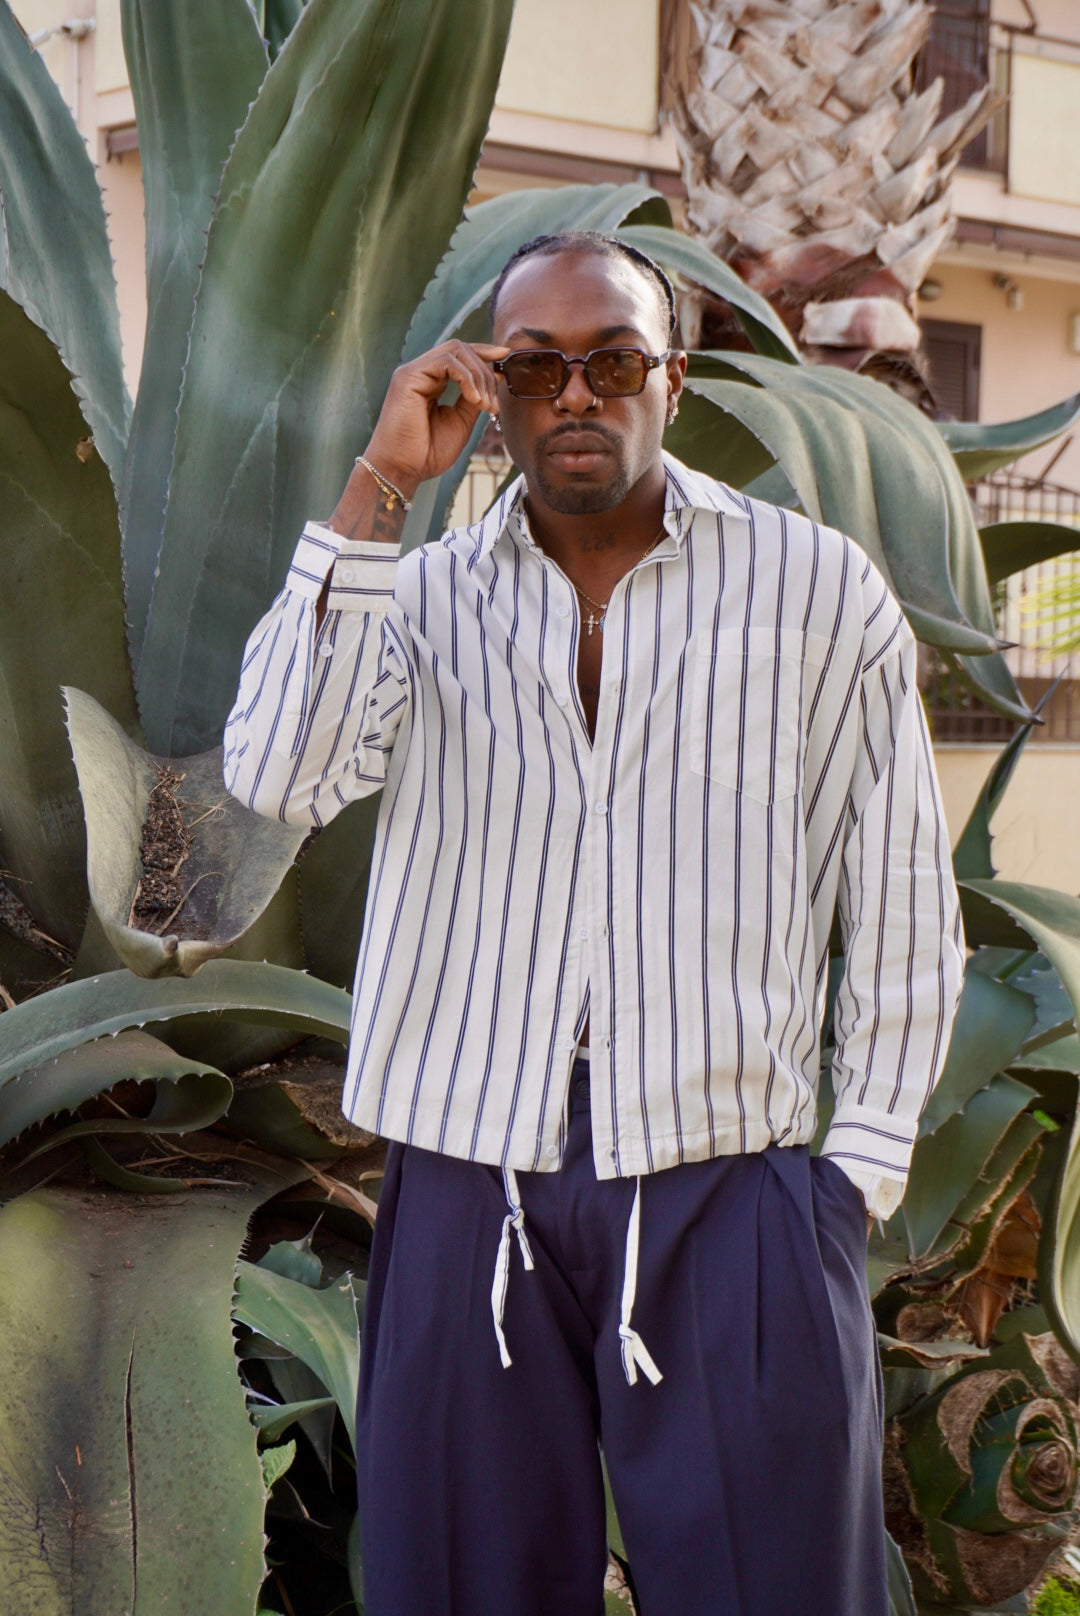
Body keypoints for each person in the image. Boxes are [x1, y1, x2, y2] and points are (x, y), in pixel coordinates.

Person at [225, 231, 964, 1616]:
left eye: (614, 361)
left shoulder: (816, 593)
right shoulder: (418, 598)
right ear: (491, 391)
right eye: (536, 367)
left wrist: (850, 1175)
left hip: (731, 1189)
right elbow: (275, 773)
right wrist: (381, 485)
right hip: (467, 1184)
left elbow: (903, 897)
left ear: (671, 381)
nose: (576, 394)